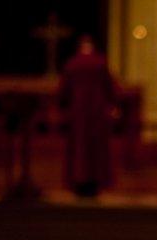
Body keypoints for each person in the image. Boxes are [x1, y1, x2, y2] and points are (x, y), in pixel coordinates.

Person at [58, 35, 117, 197]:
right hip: (97, 112)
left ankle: (79, 182)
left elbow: (64, 90)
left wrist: (63, 106)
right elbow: (110, 87)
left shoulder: (72, 64)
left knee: (79, 149)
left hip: (78, 112)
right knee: (96, 149)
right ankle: (95, 183)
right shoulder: (100, 63)